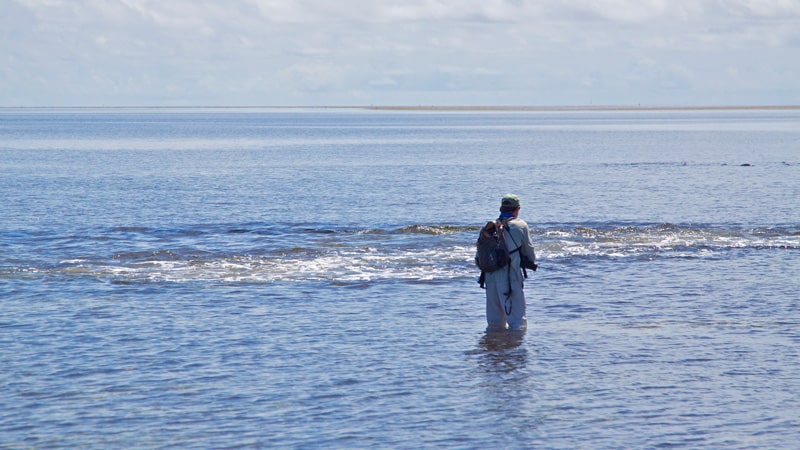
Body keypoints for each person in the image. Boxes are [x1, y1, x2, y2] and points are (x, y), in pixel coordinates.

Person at [480, 194, 536, 331]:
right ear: (517, 209)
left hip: (490, 279)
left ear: (501, 208)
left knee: (494, 325)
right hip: (511, 279)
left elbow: (479, 257)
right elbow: (530, 253)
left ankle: (494, 350)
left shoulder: (488, 227)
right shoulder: (521, 225)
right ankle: (514, 351)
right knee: (517, 323)